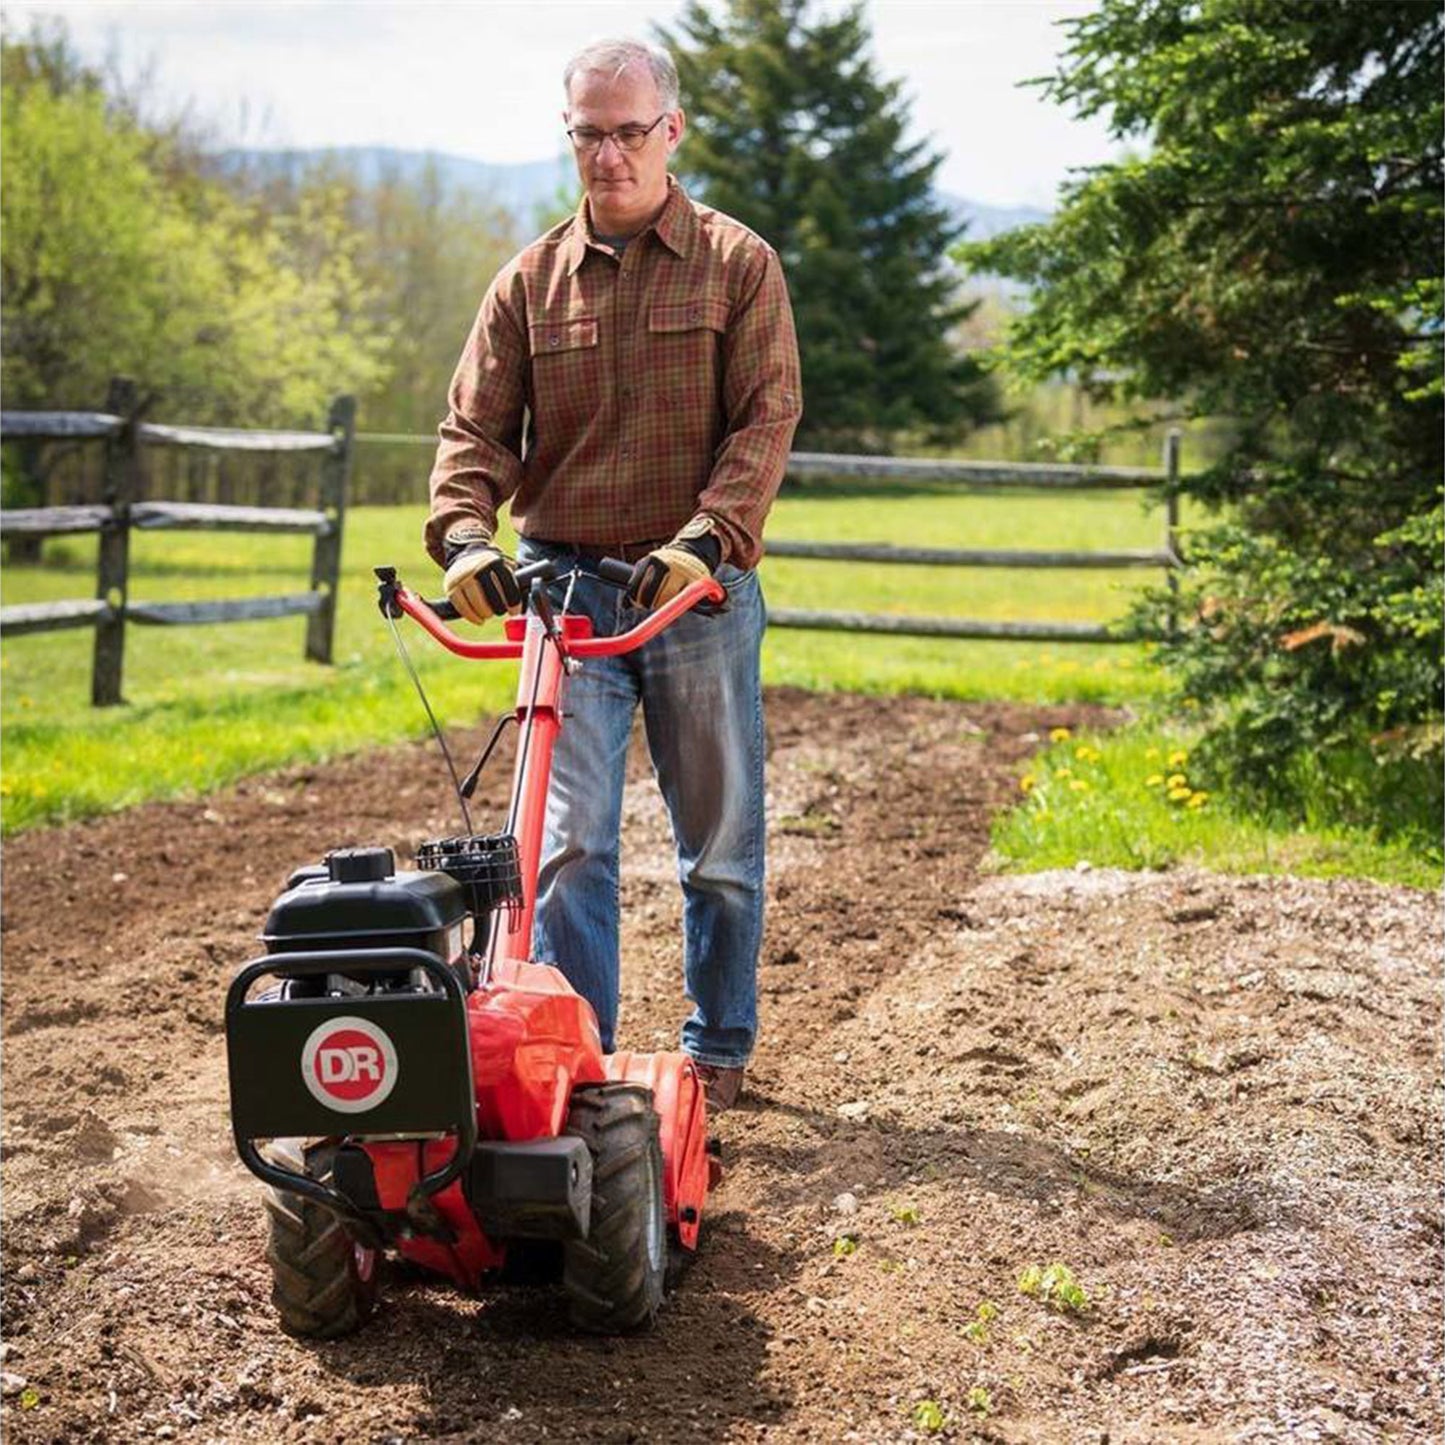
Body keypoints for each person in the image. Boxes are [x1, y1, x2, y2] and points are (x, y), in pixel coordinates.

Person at [424, 38, 802, 1111]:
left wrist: (709, 536)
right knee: (565, 844)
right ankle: (578, 1059)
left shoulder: (737, 265)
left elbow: (765, 419)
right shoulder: (528, 283)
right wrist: (463, 539)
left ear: (669, 132)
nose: (607, 155)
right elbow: (473, 433)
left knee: (717, 843)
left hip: (692, 590)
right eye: (586, 134)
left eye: (627, 132)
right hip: (563, 591)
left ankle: (717, 1047)